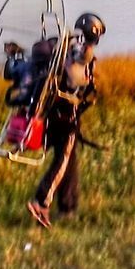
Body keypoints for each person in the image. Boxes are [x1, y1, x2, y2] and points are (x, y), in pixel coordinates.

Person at [27, 12, 105, 229]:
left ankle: (67, 207)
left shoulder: (64, 45)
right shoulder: (81, 52)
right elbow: (77, 76)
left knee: (69, 162)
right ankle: (41, 202)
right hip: (66, 117)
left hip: (52, 114)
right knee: (62, 162)